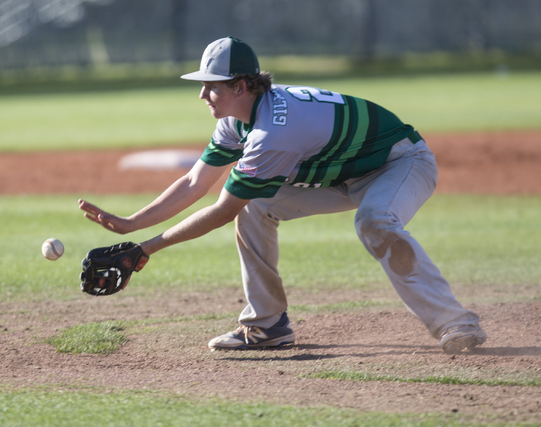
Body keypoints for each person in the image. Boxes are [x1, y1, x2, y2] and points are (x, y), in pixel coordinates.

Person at [78, 36, 486, 354]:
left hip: (400, 163)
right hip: (338, 173)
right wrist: (131, 224)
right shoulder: (237, 120)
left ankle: (456, 322)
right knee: (257, 205)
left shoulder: (273, 133)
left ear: (239, 85)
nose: (202, 95)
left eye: (210, 87)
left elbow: (221, 209)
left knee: (374, 220)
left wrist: (145, 249)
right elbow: (194, 184)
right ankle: (267, 325)